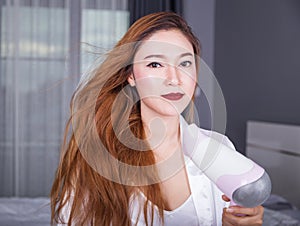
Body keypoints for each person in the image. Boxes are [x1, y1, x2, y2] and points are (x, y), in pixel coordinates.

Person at [51, 12, 264, 226]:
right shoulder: (98, 154)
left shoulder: (219, 147)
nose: (174, 79)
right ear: (131, 76)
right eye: (155, 64)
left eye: (185, 64)